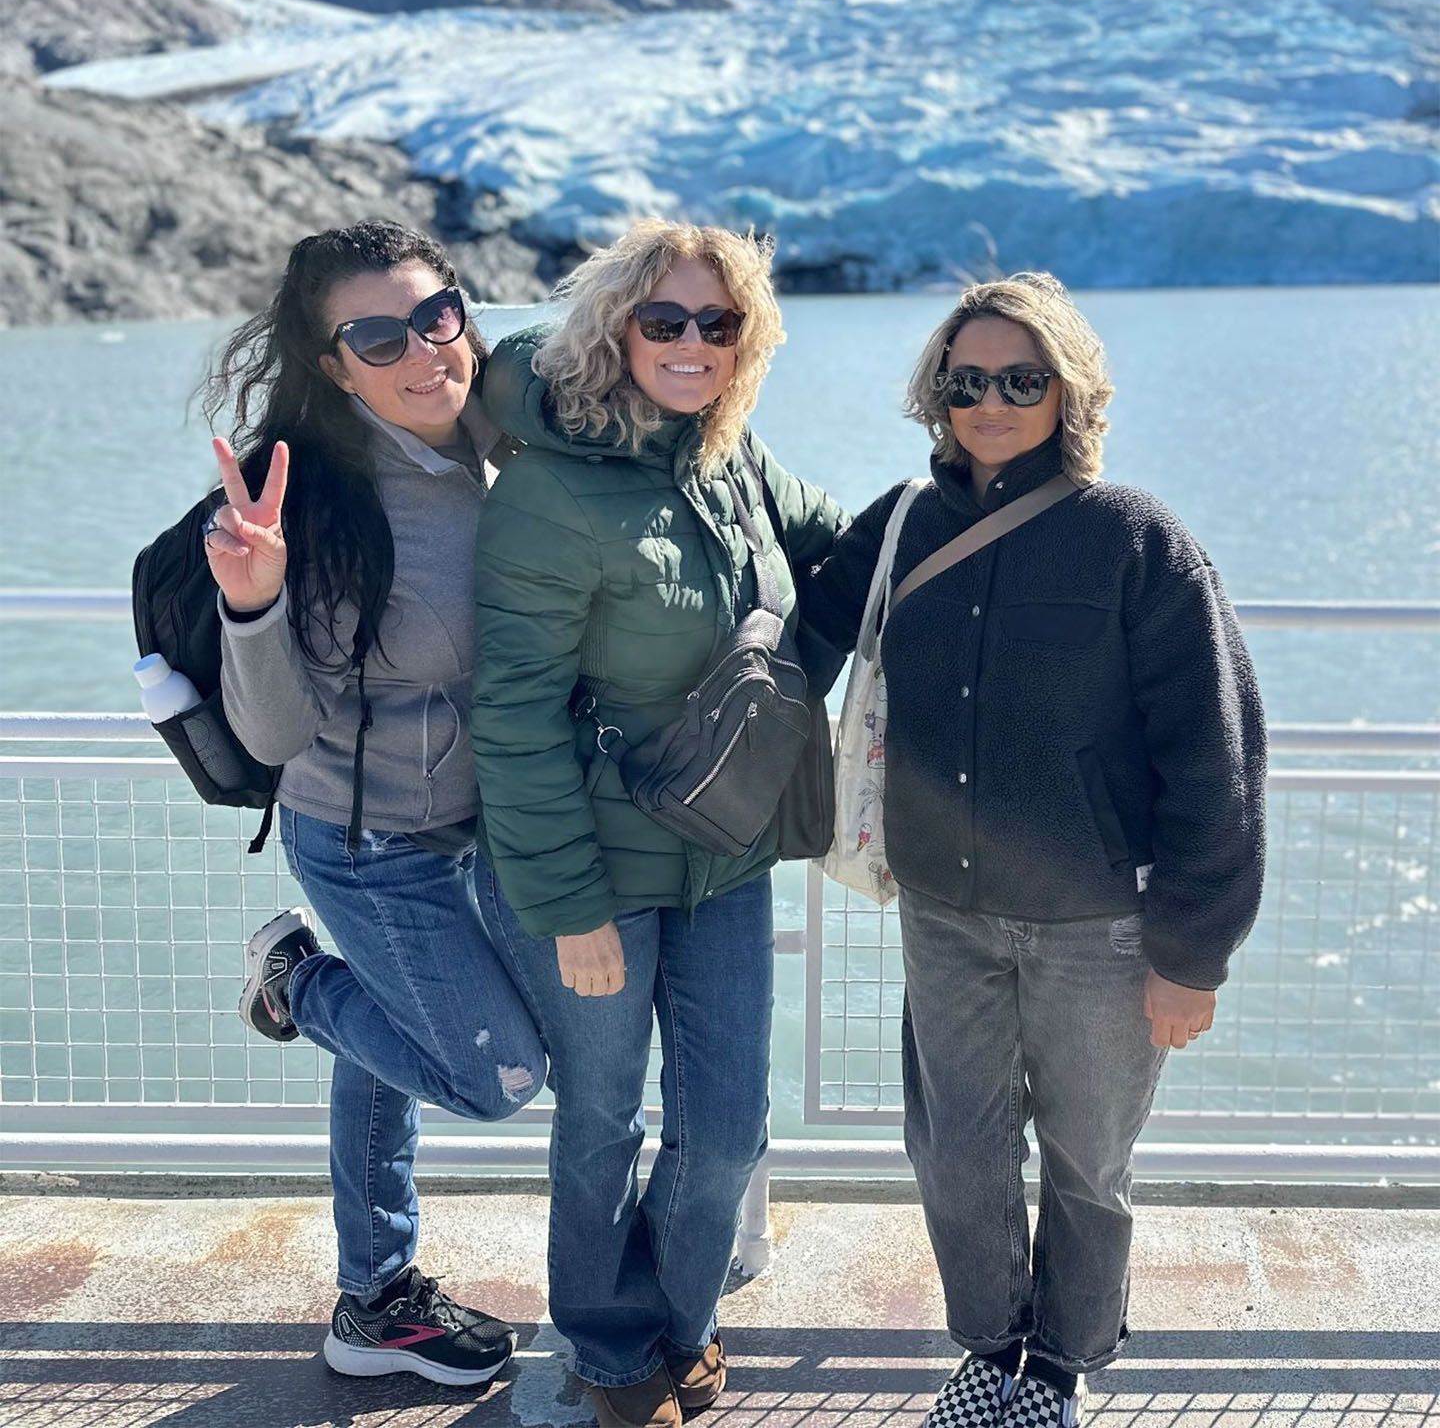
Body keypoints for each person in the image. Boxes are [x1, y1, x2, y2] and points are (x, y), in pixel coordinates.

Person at [806, 272, 1266, 1428]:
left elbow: (1215, 758)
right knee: (955, 1154)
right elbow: (795, 628)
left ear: (1068, 392)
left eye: (1023, 379)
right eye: (969, 381)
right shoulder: (904, 523)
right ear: (938, 396)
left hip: (1102, 927)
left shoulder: (1135, 542)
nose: (994, 401)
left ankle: (1060, 1363)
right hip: (944, 913)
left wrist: (1192, 956)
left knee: (1086, 1166)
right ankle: (991, 1344)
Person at [469, 219, 847, 1428]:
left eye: (719, 323)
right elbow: (514, 716)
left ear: (749, 341)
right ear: (616, 327)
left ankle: (683, 1315)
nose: (693, 344)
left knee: (728, 1125)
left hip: (725, 852)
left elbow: (836, 554)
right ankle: (609, 1341)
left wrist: (992, 507)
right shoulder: (547, 489)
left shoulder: (726, 453)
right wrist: (570, 909)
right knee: (599, 1123)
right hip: (598, 868)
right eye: (666, 320)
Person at [202, 221, 547, 1389]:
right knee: (495, 1079)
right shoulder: (329, 500)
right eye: (377, 334)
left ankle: (374, 1300)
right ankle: (299, 980)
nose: (421, 350)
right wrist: (253, 600)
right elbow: (274, 733)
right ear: (333, 359)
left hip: (474, 825)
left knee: (394, 1053)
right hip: (365, 839)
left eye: (436, 313)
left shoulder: (505, 444)